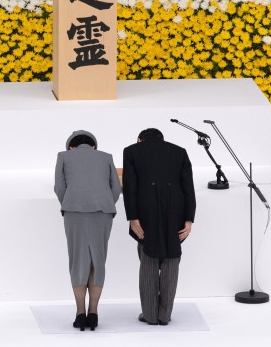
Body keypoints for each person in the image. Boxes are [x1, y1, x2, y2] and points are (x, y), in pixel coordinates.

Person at [122, 127, 196, 326]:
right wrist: (189, 219)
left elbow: (130, 187)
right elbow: (188, 187)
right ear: (162, 138)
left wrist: (132, 217)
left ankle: (150, 314)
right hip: (176, 210)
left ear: (140, 139)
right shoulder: (179, 151)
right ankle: (165, 314)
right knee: (172, 258)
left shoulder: (131, 151)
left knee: (148, 258)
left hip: (146, 210)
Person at [54, 130, 121, 332]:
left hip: (74, 211)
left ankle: (80, 313)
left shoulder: (63, 156)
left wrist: (70, 202)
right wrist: (105, 202)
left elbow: (59, 187)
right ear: (93, 146)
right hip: (102, 212)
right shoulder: (106, 157)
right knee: (98, 260)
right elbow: (116, 188)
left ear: (71, 147)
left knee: (78, 261)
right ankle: (94, 313)